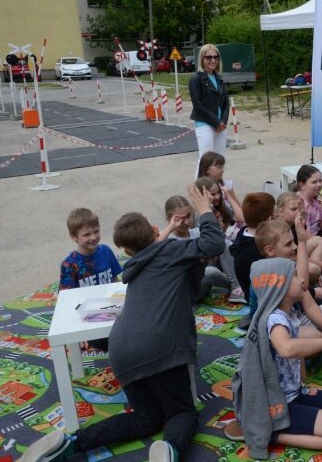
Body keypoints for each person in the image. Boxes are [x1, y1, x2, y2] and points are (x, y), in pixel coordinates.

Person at [23, 185, 226, 462]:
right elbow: (215, 243)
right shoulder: (173, 252)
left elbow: (173, 267)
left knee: (146, 419)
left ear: (126, 250)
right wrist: (204, 210)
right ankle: (170, 449)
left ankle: (71, 444)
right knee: (182, 412)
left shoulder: (136, 265)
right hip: (161, 347)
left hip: (121, 350)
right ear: (155, 231)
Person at [229, 258, 322, 459]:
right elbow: (286, 348)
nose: (302, 280)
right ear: (278, 286)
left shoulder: (288, 312)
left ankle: (295, 419)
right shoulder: (274, 319)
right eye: (295, 277)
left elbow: (295, 356)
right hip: (279, 404)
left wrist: (304, 385)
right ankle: (274, 433)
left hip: (295, 392)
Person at [59, 207, 122, 351]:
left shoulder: (106, 251)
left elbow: (115, 281)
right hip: (88, 317)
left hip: (112, 310)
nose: (93, 237)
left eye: (96, 231)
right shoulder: (69, 265)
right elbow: (66, 301)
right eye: (86, 234)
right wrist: (78, 333)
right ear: (74, 237)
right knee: (104, 342)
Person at [158, 195, 232, 304]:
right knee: (210, 271)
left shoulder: (196, 232)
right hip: (185, 290)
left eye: (188, 216)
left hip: (203, 282)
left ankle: (237, 286)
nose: (187, 222)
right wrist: (170, 227)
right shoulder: (165, 237)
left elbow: (225, 246)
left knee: (223, 243)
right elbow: (151, 250)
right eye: (179, 219)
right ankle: (234, 286)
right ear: (169, 219)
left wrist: (219, 230)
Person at [230, 192, 276, 309]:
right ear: (269, 219)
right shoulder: (257, 249)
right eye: (275, 213)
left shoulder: (243, 233)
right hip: (263, 300)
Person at [189, 44, 229, 171]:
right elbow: (197, 105)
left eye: (215, 57)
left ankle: (216, 188)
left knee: (219, 160)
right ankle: (200, 189)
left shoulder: (219, 79)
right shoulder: (196, 78)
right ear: (202, 59)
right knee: (205, 160)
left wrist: (223, 121)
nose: (213, 60)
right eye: (209, 57)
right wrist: (216, 122)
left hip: (220, 125)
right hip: (204, 123)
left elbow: (226, 103)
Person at [276, 191, 322, 282]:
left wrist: (303, 220)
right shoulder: (279, 229)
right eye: (293, 209)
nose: (298, 212)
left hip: (295, 256)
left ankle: (314, 274)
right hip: (284, 263)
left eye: (299, 209)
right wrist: (321, 264)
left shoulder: (293, 223)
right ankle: (312, 274)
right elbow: (291, 256)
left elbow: (300, 247)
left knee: (319, 240)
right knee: (316, 268)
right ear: (280, 212)